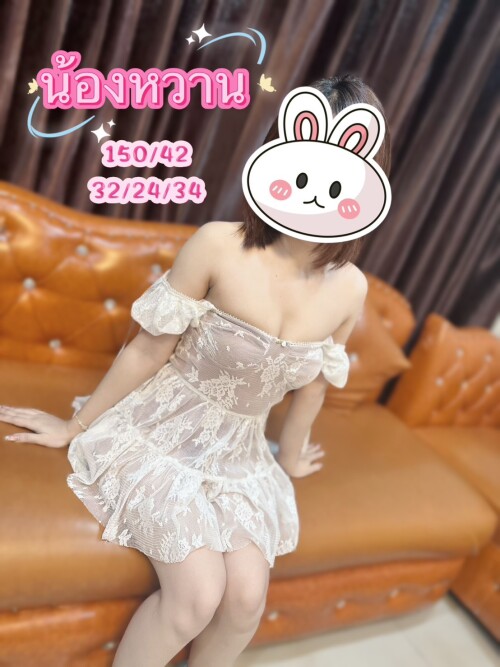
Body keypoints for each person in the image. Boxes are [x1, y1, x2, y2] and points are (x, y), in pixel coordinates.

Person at [0, 74, 389, 667]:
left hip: (240, 453)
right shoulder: (218, 245)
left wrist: (290, 455)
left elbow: (314, 384)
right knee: (196, 598)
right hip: (159, 430)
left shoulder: (352, 288)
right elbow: (146, 349)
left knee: (246, 602)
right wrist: (75, 427)